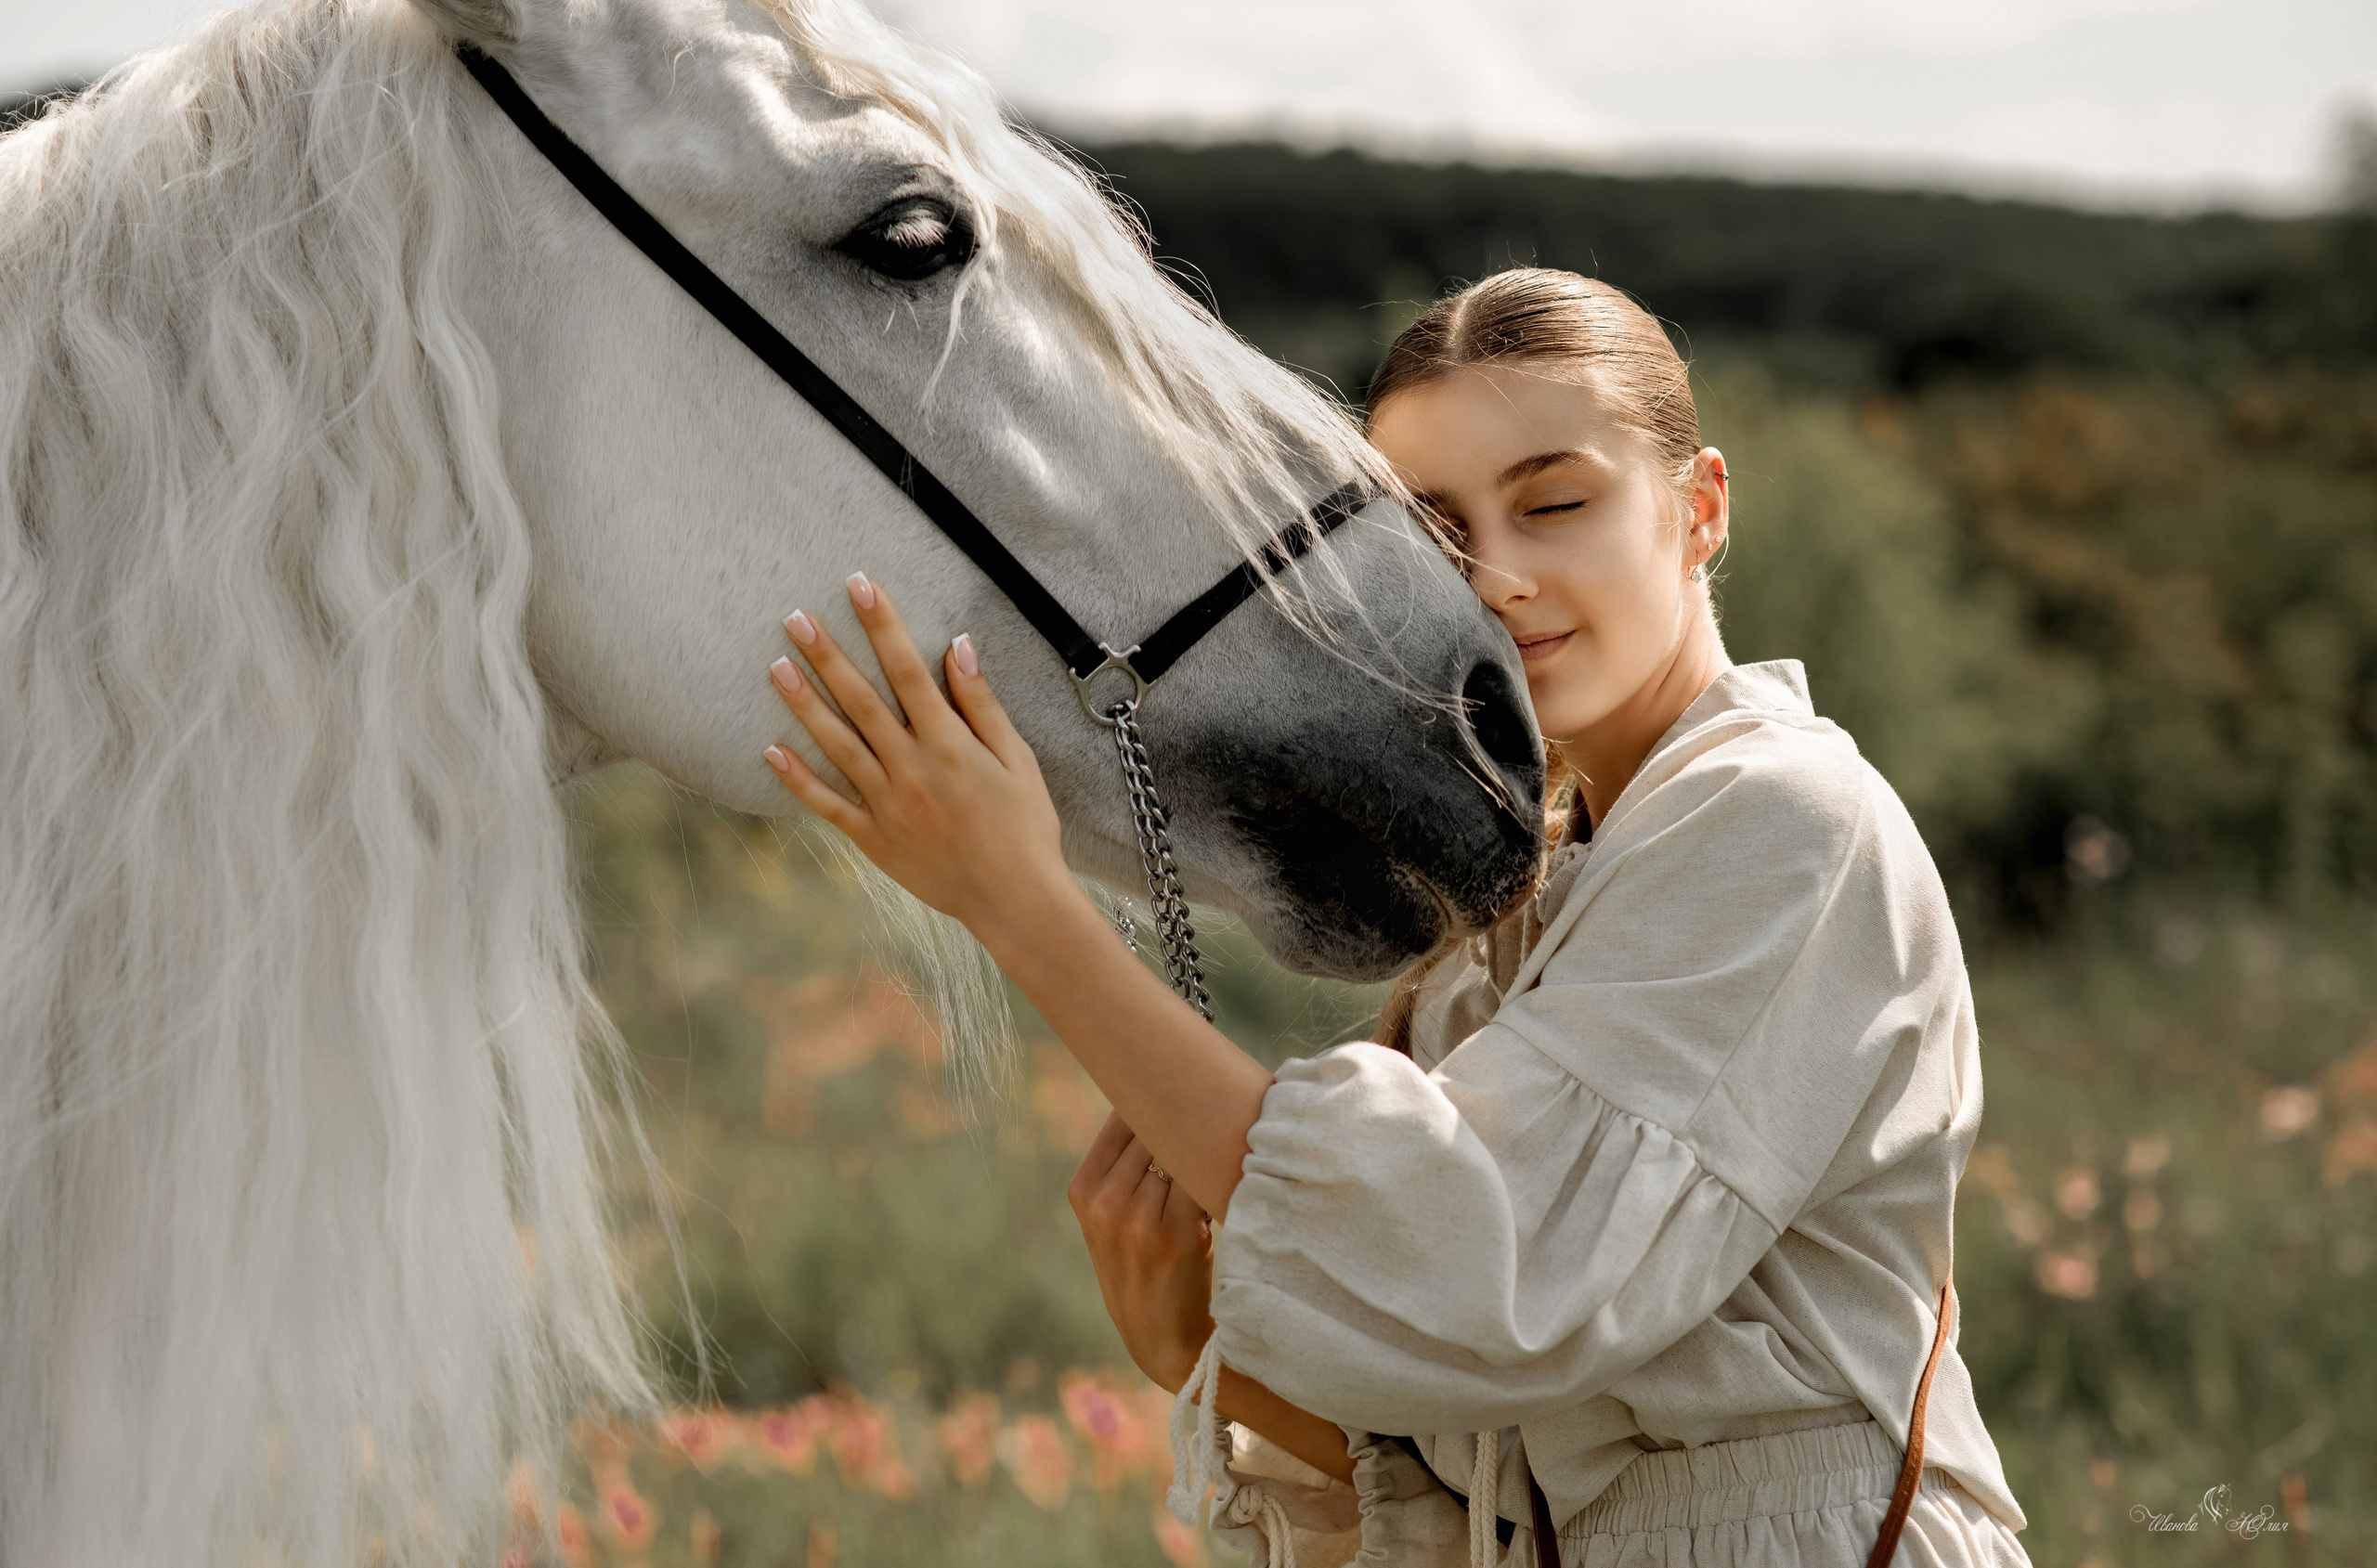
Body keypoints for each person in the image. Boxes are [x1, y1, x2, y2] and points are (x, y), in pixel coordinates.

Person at [758, 268, 2032, 1567]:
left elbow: (1491, 1279)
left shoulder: (1785, 815)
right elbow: (1462, 1473)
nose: (1504, 576)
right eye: (1438, 536)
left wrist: (1019, 902)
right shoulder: (1515, 914)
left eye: (1555, 504)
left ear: (1699, 507)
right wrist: (1200, 1347)